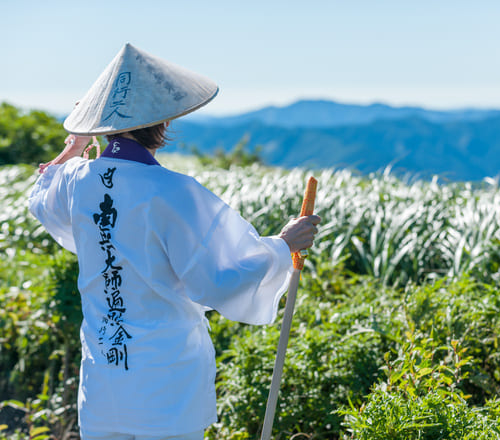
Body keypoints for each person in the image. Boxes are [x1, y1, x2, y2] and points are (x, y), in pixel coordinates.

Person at [28, 43, 320, 440]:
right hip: (165, 381)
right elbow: (220, 279)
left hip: (103, 383)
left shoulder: (78, 179)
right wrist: (284, 244)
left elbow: (42, 194)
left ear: (103, 124)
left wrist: (75, 146)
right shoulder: (173, 192)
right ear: (163, 122)